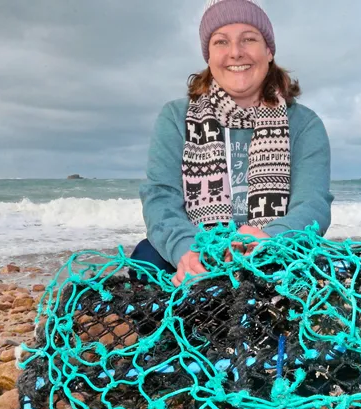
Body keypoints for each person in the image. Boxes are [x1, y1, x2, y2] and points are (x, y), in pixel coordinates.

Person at [134, 0, 334, 286]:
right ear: (209, 55)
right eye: (221, 42)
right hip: (198, 249)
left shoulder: (305, 123)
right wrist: (186, 250)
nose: (235, 52)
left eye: (249, 39)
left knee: (319, 270)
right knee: (146, 260)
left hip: (274, 250)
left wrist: (270, 239)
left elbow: (313, 205)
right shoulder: (175, 117)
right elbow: (160, 199)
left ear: (268, 51)